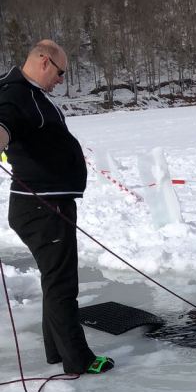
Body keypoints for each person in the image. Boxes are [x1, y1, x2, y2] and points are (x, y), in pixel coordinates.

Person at [0, 40, 113, 374]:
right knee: (62, 285)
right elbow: (3, 123)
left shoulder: (30, 94)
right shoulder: (15, 94)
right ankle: (79, 360)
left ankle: (57, 352)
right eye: (61, 73)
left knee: (55, 280)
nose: (61, 80)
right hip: (41, 206)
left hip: (47, 204)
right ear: (44, 62)